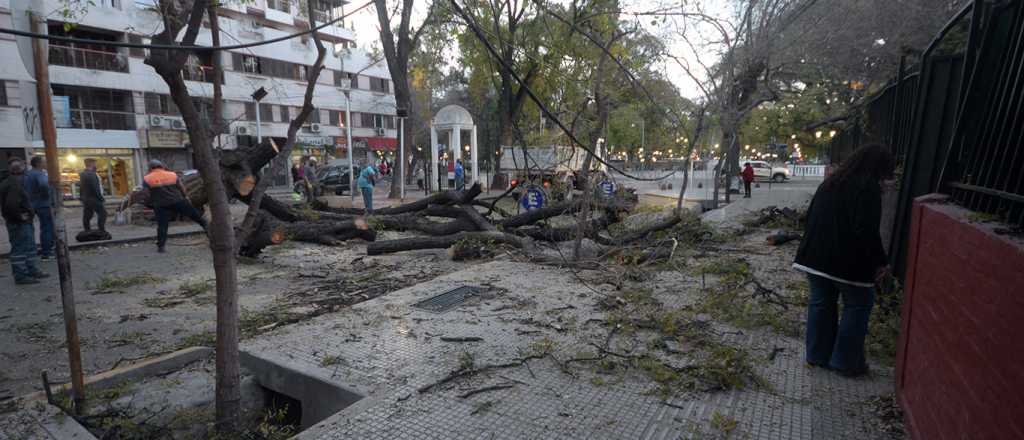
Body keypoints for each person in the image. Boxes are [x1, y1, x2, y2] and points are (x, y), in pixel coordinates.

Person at [793, 144, 894, 378]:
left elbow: (810, 218)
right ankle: (845, 362)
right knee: (859, 304)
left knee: (821, 302)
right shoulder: (867, 188)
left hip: (814, 257)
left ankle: (817, 356)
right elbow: (866, 230)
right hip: (847, 262)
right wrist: (881, 262)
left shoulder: (830, 183)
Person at [0, 157, 49, 284]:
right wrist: (20, 216)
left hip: (21, 221)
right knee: (20, 248)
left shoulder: (13, 182)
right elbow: (11, 204)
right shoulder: (13, 183)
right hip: (18, 222)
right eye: (23, 166)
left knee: (29, 246)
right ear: (20, 168)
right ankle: (21, 275)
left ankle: (31, 269)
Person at [143, 160, 207, 253]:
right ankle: (207, 228)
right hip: (178, 201)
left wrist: (150, 203)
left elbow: (145, 194)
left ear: (150, 168)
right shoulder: (172, 175)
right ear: (162, 166)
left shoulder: (147, 178)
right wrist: (186, 197)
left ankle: (161, 247)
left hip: (161, 205)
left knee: (162, 226)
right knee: (195, 216)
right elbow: (181, 187)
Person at [23, 156, 54, 260]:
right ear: (38, 164)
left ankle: (31, 252)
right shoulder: (40, 174)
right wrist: (47, 197)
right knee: (47, 228)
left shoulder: (28, 174)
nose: (46, 164)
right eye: (44, 162)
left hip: (30, 204)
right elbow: (44, 186)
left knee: (29, 229)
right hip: (43, 204)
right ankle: (47, 253)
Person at [80, 158, 107, 233]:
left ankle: (87, 230)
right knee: (103, 213)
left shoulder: (83, 173)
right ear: (91, 164)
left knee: (87, 215)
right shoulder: (91, 174)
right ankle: (101, 230)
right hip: (94, 198)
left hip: (86, 198)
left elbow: (81, 187)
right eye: (95, 163)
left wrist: (81, 198)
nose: (96, 165)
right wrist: (101, 198)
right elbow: (95, 188)